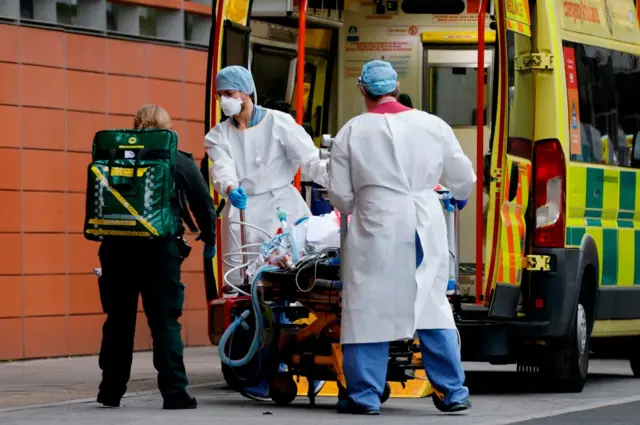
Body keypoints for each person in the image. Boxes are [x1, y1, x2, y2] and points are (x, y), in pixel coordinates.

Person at [327, 60, 476, 415]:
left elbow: (341, 198)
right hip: (424, 220)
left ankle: (365, 396)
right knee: (431, 304)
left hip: (376, 223)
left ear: (363, 90)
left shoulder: (351, 131)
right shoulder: (432, 124)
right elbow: (462, 176)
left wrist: (364, 199)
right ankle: (453, 392)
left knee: (368, 307)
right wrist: (459, 195)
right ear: (395, 87)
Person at [204, 65, 327, 399]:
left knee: (296, 286)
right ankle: (260, 369)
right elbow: (221, 167)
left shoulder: (279, 123)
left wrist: (337, 184)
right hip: (243, 214)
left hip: (281, 209)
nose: (225, 101)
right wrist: (229, 187)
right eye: (221, 95)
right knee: (253, 295)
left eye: (229, 93)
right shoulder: (218, 135)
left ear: (247, 92)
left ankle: (308, 358)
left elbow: (310, 159)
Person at [97, 105, 217, 410]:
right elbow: (203, 203)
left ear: (135, 126)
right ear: (168, 128)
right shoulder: (176, 158)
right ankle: (175, 392)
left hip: (116, 248)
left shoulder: (112, 154)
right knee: (165, 322)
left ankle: (110, 391)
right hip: (160, 251)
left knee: (118, 322)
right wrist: (209, 237)